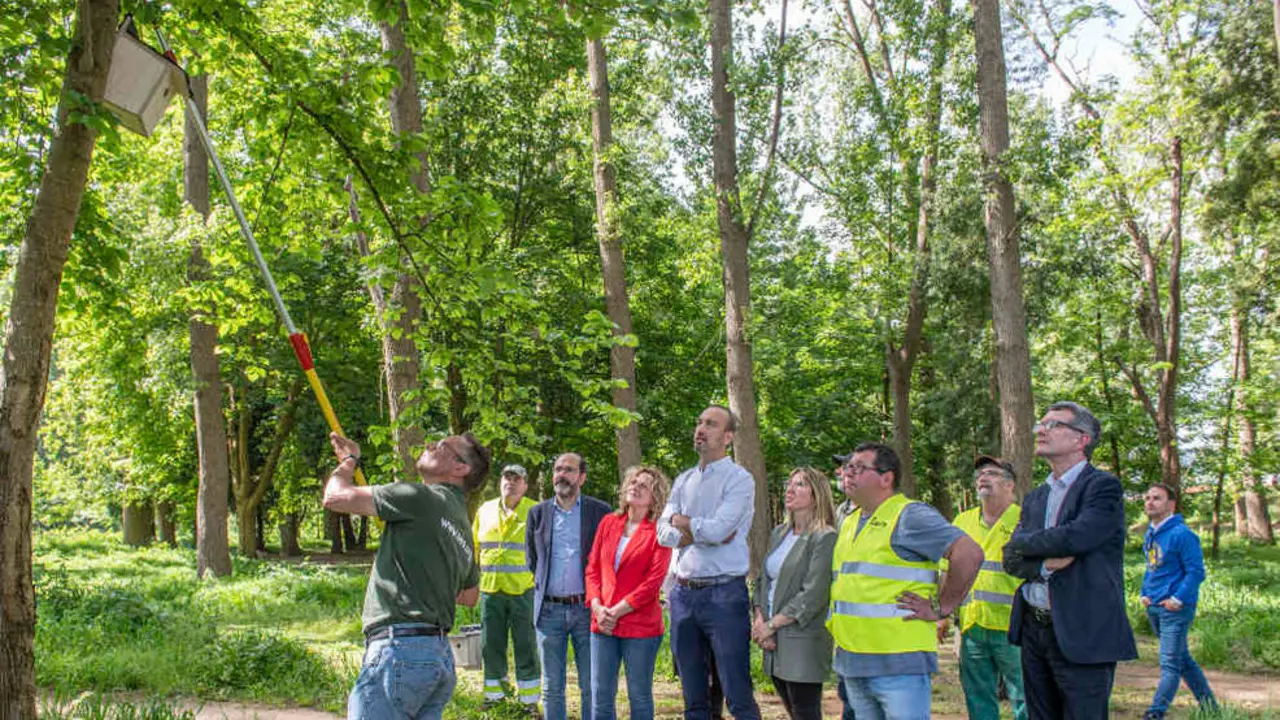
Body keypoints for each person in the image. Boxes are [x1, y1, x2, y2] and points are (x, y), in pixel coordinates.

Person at [322, 432, 488, 720]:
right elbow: (469, 596)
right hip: (437, 659)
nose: (430, 444)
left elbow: (335, 497)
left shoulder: (421, 497)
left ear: (460, 468)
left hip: (399, 652)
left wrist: (348, 461)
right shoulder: (462, 523)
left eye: (442, 446)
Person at [1003, 401, 1138, 720]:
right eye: (1040, 424)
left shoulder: (1102, 487)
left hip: (1083, 629)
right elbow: (1010, 558)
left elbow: (1078, 537)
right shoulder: (1036, 497)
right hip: (1034, 628)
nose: (1041, 430)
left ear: (1081, 439)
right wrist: (1043, 564)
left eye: (1053, 425)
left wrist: (1024, 542)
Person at [828, 442, 983, 720]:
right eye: (848, 467)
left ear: (886, 478)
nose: (848, 473)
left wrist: (943, 607)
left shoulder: (909, 515)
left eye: (859, 467)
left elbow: (969, 553)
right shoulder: (850, 521)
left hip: (898, 664)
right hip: (854, 661)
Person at [658, 405, 761, 720]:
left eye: (711, 424)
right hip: (683, 595)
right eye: (699, 422)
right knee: (693, 697)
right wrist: (698, 531)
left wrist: (683, 523)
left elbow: (720, 530)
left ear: (728, 437)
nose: (701, 429)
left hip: (724, 595)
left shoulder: (739, 479)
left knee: (737, 693)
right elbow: (663, 533)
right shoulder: (683, 480)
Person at [585, 465, 674, 720]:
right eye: (633, 482)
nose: (635, 487)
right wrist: (598, 607)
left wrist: (616, 611)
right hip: (602, 623)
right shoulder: (609, 523)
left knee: (639, 696)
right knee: (601, 695)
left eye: (643, 485)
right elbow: (592, 569)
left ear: (655, 496)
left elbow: (652, 583)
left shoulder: (659, 531)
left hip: (640, 626)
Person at [527, 453, 611, 720]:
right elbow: (533, 560)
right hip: (549, 611)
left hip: (587, 609)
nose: (561, 475)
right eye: (558, 469)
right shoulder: (537, 513)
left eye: (569, 470)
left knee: (591, 685)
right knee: (552, 687)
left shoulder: (600, 512)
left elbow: (608, 559)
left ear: (582, 477)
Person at [751, 467, 838, 720]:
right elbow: (762, 580)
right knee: (792, 709)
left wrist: (771, 625)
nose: (790, 489)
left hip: (802, 637)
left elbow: (813, 593)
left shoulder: (825, 537)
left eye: (799, 484)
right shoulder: (780, 533)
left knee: (805, 711)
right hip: (772, 639)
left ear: (816, 494)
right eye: (788, 484)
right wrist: (760, 621)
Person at [943, 456, 1027, 720]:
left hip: (1015, 627)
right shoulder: (963, 521)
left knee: (1025, 696)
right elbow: (947, 570)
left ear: (1010, 485)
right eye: (980, 474)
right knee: (978, 697)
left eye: (991, 473)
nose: (982, 477)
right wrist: (944, 614)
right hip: (973, 626)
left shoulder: (1025, 520)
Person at [1140, 483, 1218, 720]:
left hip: (1175, 609)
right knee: (1183, 661)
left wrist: (1177, 599)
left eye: (1157, 498)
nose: (1150, 502)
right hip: (1154, 607)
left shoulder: (1182, 534)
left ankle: (1155, 712)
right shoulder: (1151, 533)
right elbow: (1152, 567)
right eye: (1147, 498)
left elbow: (1196, 572)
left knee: (1170, 664)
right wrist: (1144, 592)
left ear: (1171, 504)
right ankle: (1211, 709)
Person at [473, 464, 540, 711]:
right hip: (490, 590)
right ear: (500, 481)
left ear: (525, 485)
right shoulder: (485, 510)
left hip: (524, 590)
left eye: (516, 479)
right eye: (506, 477)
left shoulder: (535, 511)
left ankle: (529, 702)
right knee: (490, 646)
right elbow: (475, 547)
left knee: (526, 645)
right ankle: (494, 697)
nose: (510, 482)